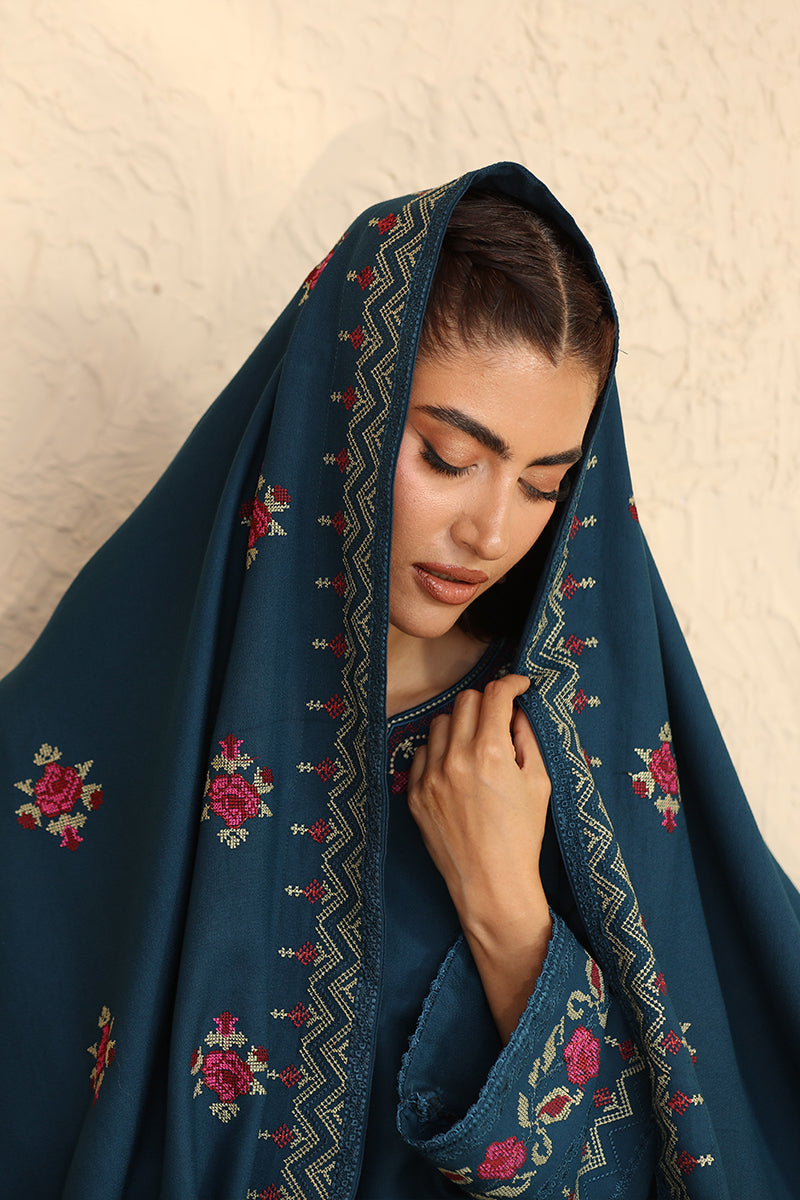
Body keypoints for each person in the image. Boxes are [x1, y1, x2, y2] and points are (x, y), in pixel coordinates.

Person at [1, 162, 798, 1199]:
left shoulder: (564, 761)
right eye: (449, 456)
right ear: (341, 411)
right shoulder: (112, 716)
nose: (491, 532)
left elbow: (670, 1168)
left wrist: (506, 910)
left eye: (544, 485)